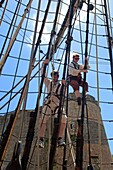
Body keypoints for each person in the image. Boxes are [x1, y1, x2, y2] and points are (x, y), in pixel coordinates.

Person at [39, 59, 67, 148]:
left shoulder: (61, 85)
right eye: (53, 75)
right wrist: (44, 65)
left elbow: (64, 94)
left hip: (57, 104)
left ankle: (60, 138)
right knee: (42, 120)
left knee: (64, 119)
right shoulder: (48, 83)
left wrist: (65, 85)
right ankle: (41, 139)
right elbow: (43, 75)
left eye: (56, 75)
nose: (55, 76)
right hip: (49, 103)